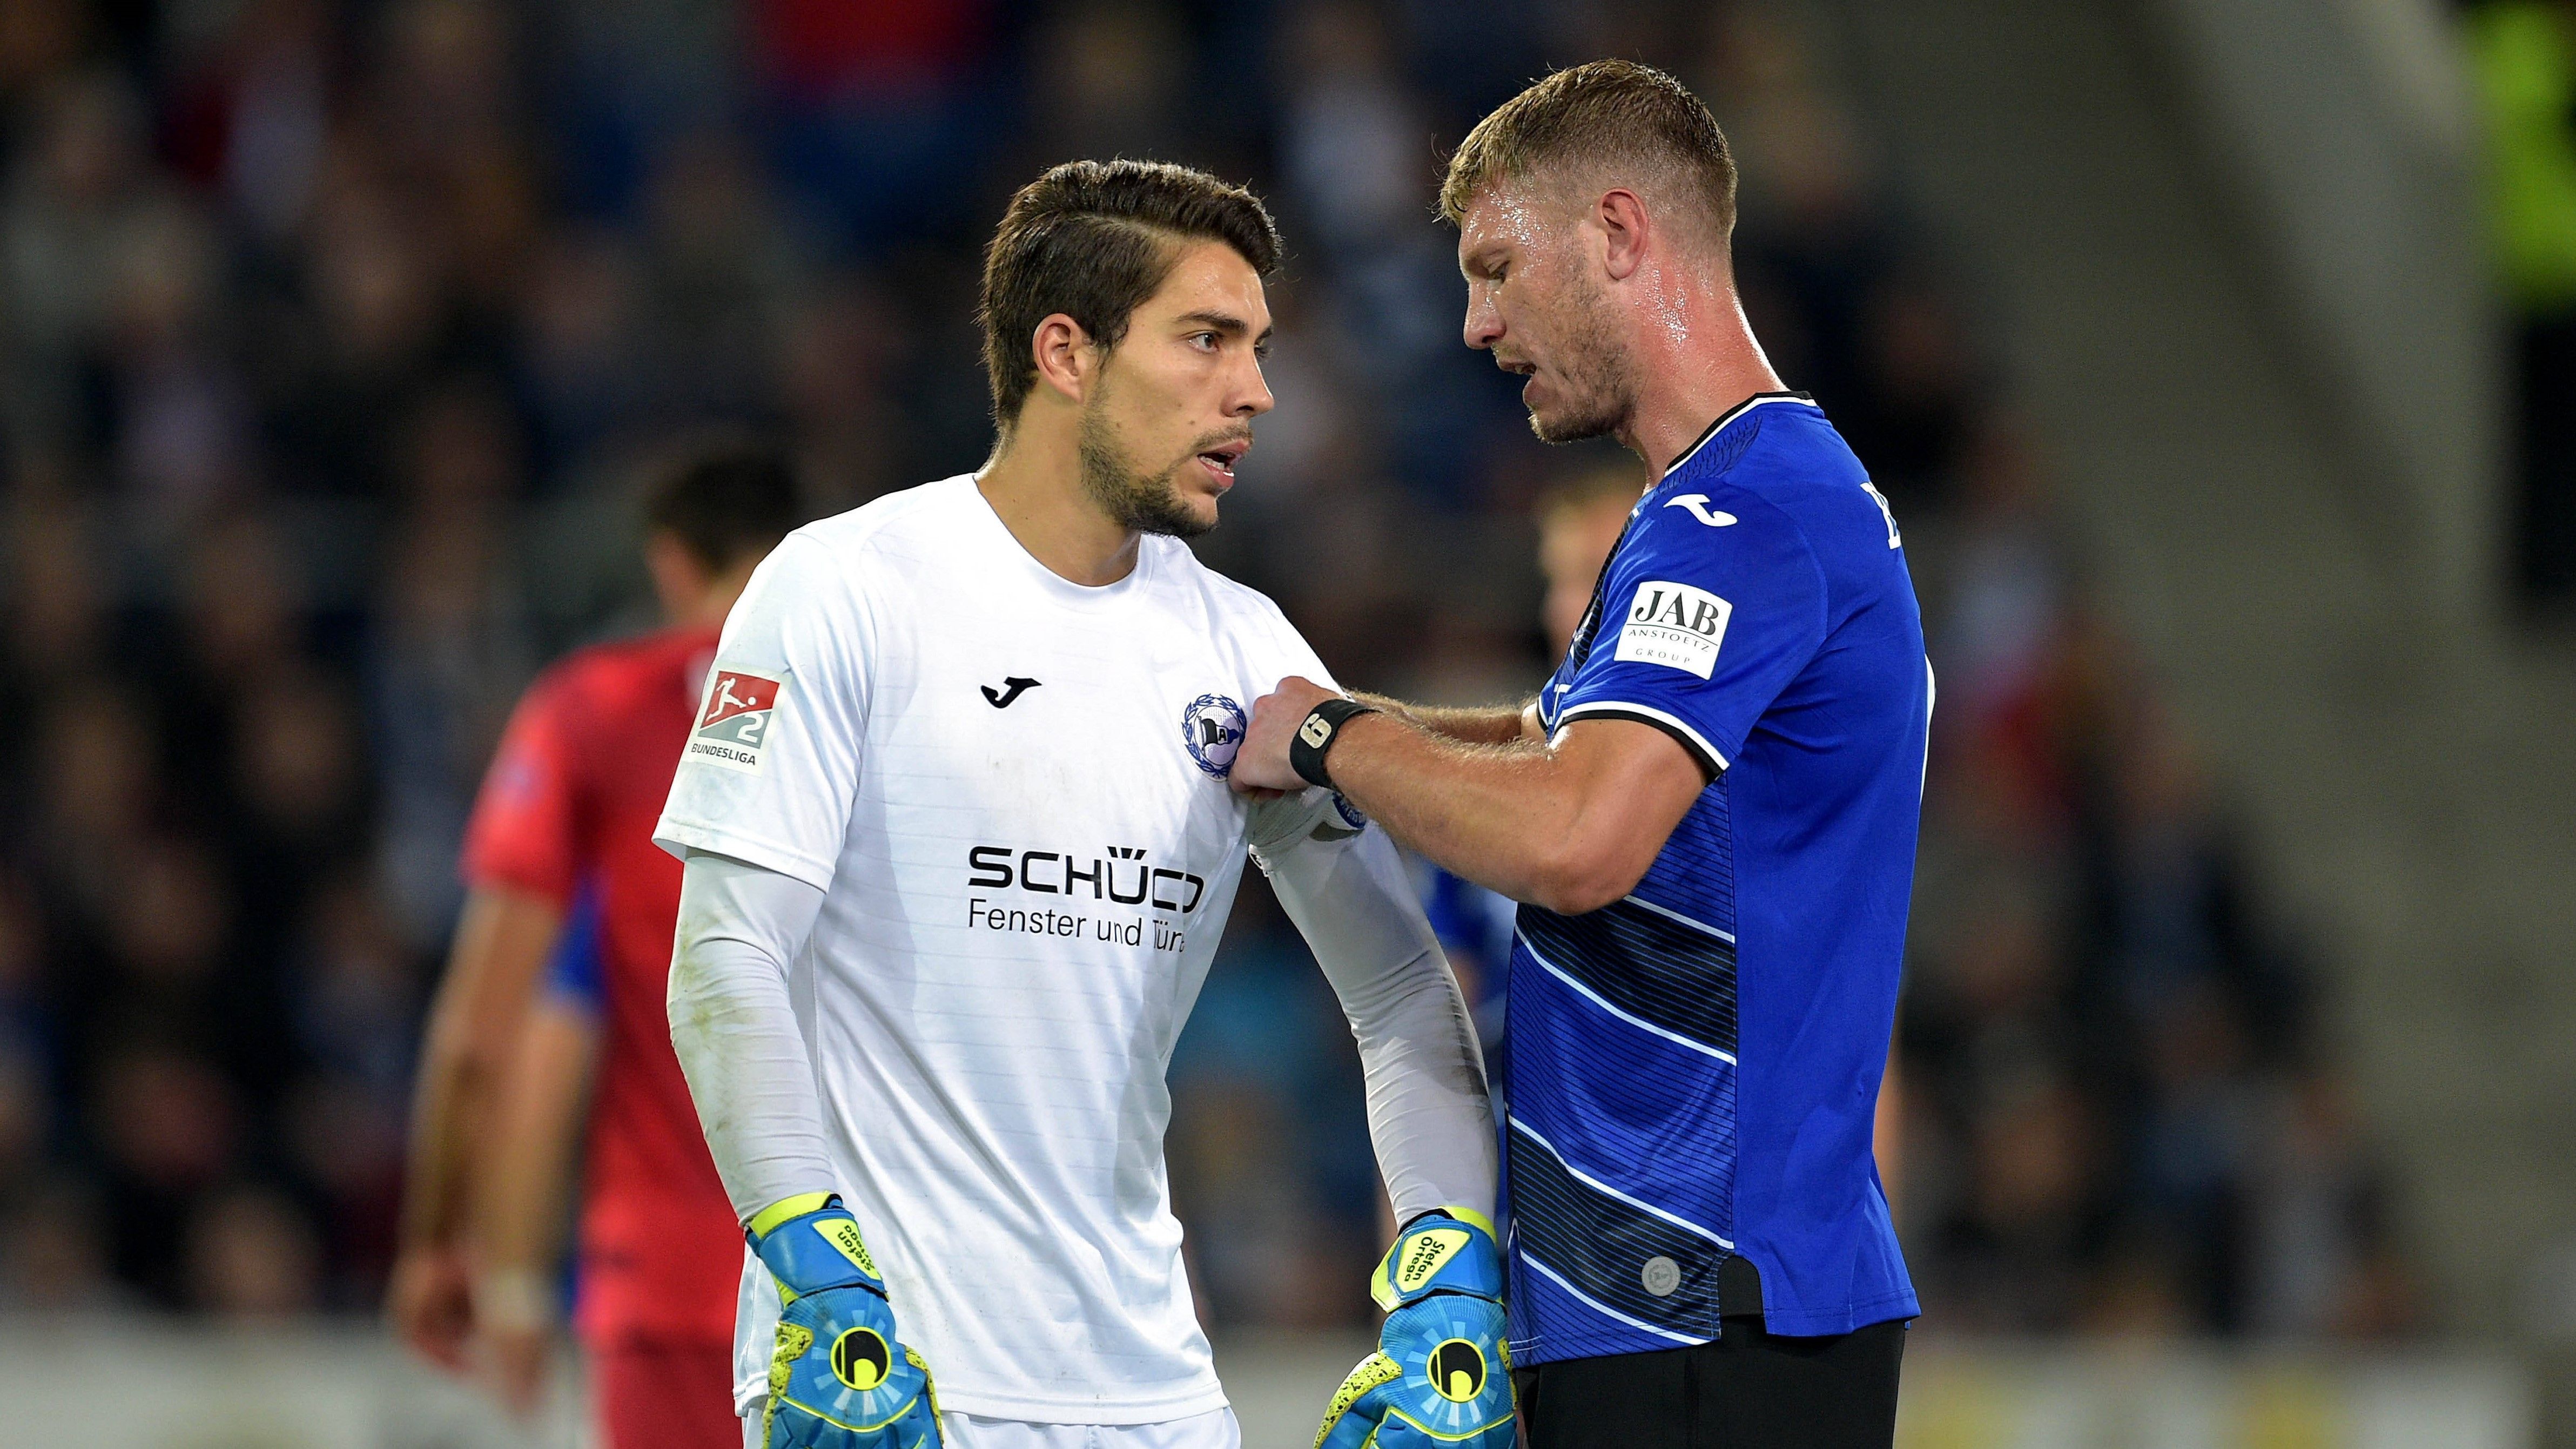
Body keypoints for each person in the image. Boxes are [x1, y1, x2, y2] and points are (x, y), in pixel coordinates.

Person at [649, 160, 1510, 1449]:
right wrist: (821, 1287)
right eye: (1207, 341)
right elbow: (723, 955)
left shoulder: (1247, 653)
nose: (1256, 391)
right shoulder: (842, 588)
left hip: (1157, 1395)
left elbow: (1399, 996)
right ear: (1066, 352)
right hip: (888, 1380)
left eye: (1261, 348)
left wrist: (1450, 1274)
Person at [1232, 62, 1927, 1448]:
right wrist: (1322, 728)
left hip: (1699, 1304)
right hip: (1679, 1302)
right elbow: (1553, 749)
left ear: (1619, 235)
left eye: (1497, 267)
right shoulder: (1734, 505)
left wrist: (1326, 735)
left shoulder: (1744, 515)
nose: (1477, 323)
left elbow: (1575, 838)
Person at [388, 444, 807, 1447]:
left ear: (669, 564)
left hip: (668, 1288)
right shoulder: (887, 712)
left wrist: (451, 1245)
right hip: (865, 1282)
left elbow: (482, 1038)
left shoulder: (596, 715)